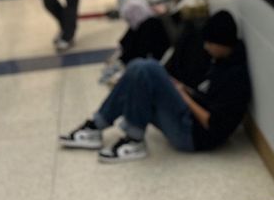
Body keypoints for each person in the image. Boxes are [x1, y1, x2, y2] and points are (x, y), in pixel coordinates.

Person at [59, 10, 251, 162]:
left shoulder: (236, 78)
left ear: (223, 43)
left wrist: (184, 98)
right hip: (189, 119)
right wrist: (185, 90)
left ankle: (134, 140)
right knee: (138, 69)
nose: (206, 47)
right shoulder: (222, 61)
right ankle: (96, 125)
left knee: (148, 69)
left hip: (194, 136)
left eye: (210, 43)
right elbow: (207, 97)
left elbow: (212, 123)